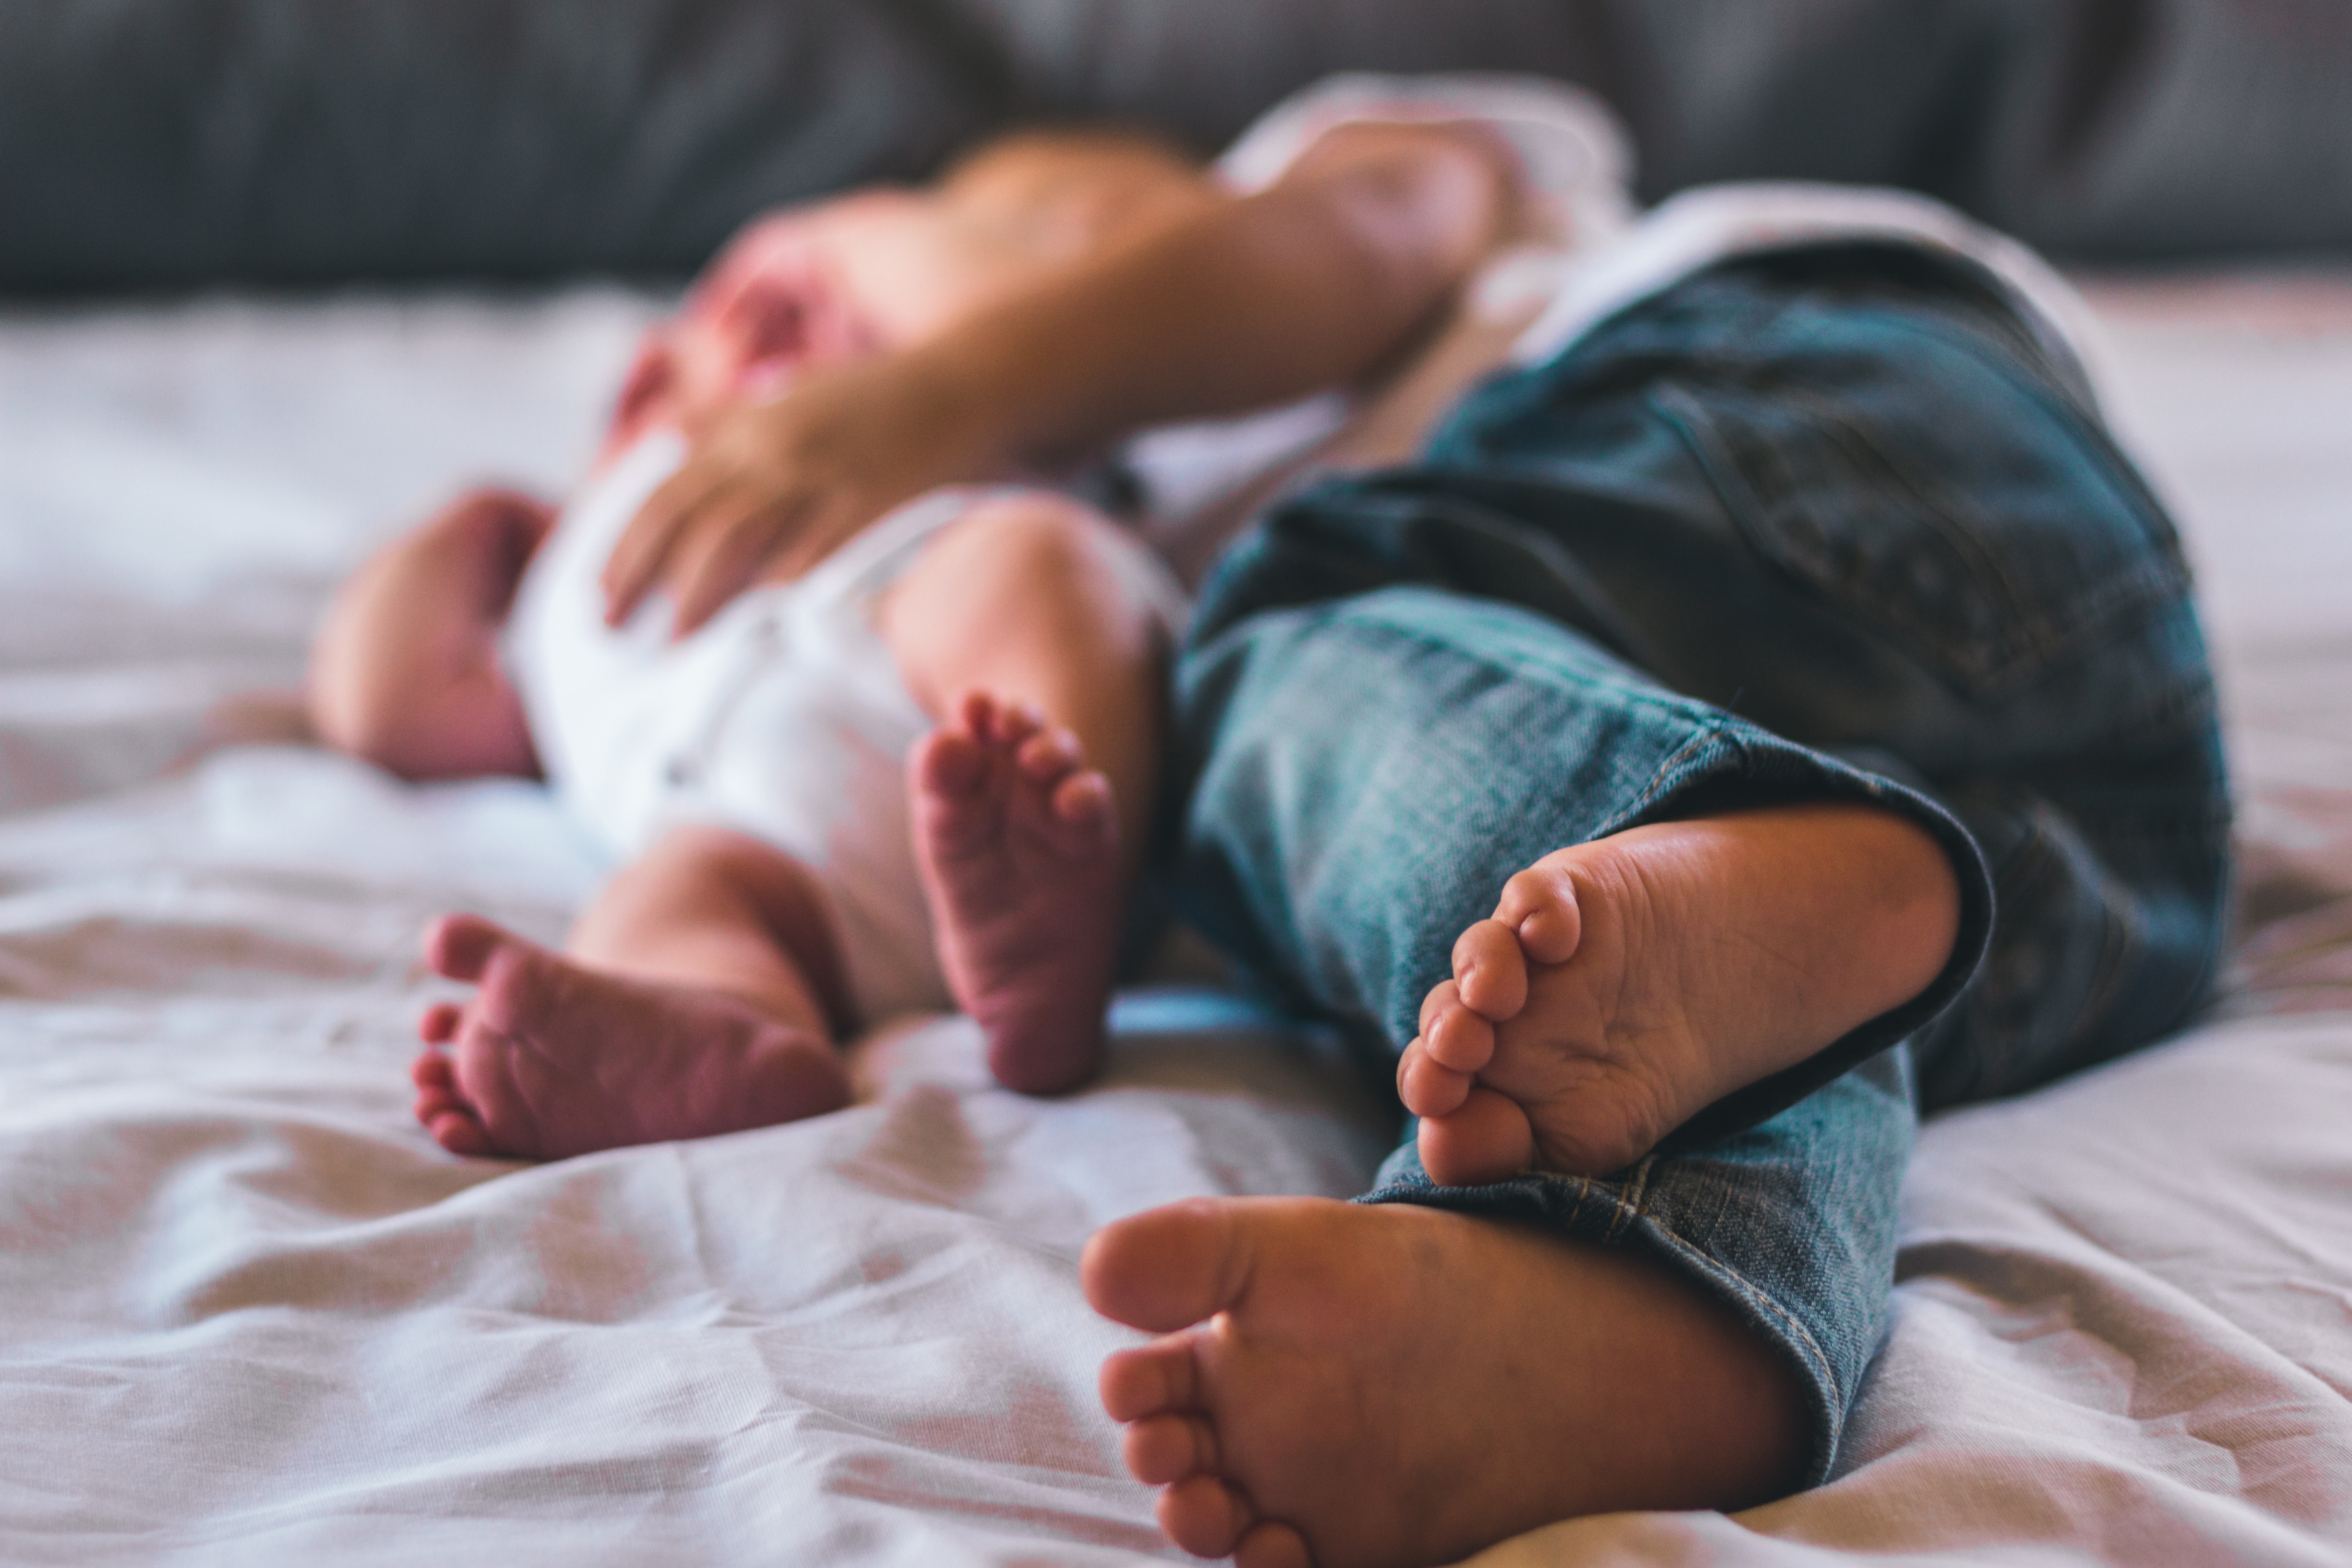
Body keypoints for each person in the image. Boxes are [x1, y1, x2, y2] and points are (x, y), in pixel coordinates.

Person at [306, 89, 1581, 1160]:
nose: (780, 313)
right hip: (745, 820)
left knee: (1037, 575)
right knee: (685, 899)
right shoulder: (589, 531)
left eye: (1079, 244)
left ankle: (1055, 862)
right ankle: (709, 1030)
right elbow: (400, 706)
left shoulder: (1035, 457)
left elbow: (1150, 324)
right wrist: (471, 532)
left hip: (925, 633)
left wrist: (922, 346)